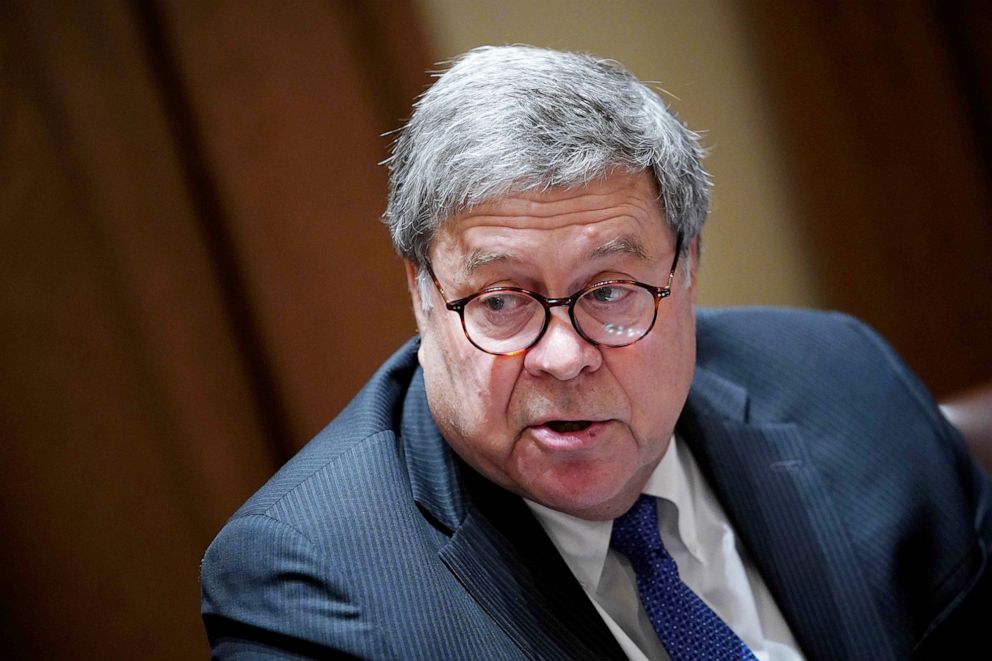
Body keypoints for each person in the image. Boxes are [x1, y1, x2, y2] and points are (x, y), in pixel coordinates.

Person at [200, 45, 990, 660]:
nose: (562, 354)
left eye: (610, 290)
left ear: (685, 268)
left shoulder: (843, 380)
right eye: (501, 300)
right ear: (421, 293)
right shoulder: (313, 585)